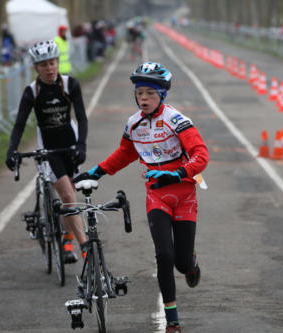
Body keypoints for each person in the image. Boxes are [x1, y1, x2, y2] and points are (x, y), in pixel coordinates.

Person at [73, 62, 209, 333]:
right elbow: (126, 153)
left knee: (180, 263)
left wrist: (179, 172)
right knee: (163, 254)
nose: (143, 99)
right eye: (139, 93)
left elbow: (201, 155)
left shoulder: (176, 120)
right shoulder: (133, 124)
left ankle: (190, 263)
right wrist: (97, 171)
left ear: (162, 95)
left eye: (150, 93)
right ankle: (173, 322)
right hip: (156, 197)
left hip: (184, 196)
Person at [5, 40, 88, 263]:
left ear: (57, 62)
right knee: (69, 197)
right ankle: (86, 250)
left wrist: (81, 145)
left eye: (52, 63)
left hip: (70, 145)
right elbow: (20, 124)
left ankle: (67, 240)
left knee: (69, 196)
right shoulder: (32, 92)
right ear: (36, 68)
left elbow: (81, 117)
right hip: (49, 149)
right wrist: (11, 150)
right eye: (44, 65)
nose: (50, 68)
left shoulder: (70, 85)